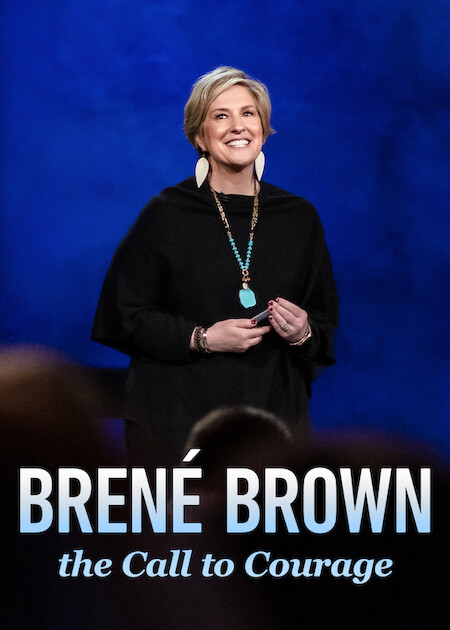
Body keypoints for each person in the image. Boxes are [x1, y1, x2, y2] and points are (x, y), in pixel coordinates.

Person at [91, 66, 339, 463]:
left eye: (248, 113)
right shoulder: (166, 213)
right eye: (221, 115)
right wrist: (202, 338)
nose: (238, 126)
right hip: (175, 418)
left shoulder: (298, 217)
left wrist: (302, 332)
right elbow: (123, 316)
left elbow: (323, 324)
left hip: (271, 421)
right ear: (199, 136)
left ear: (263, 129)